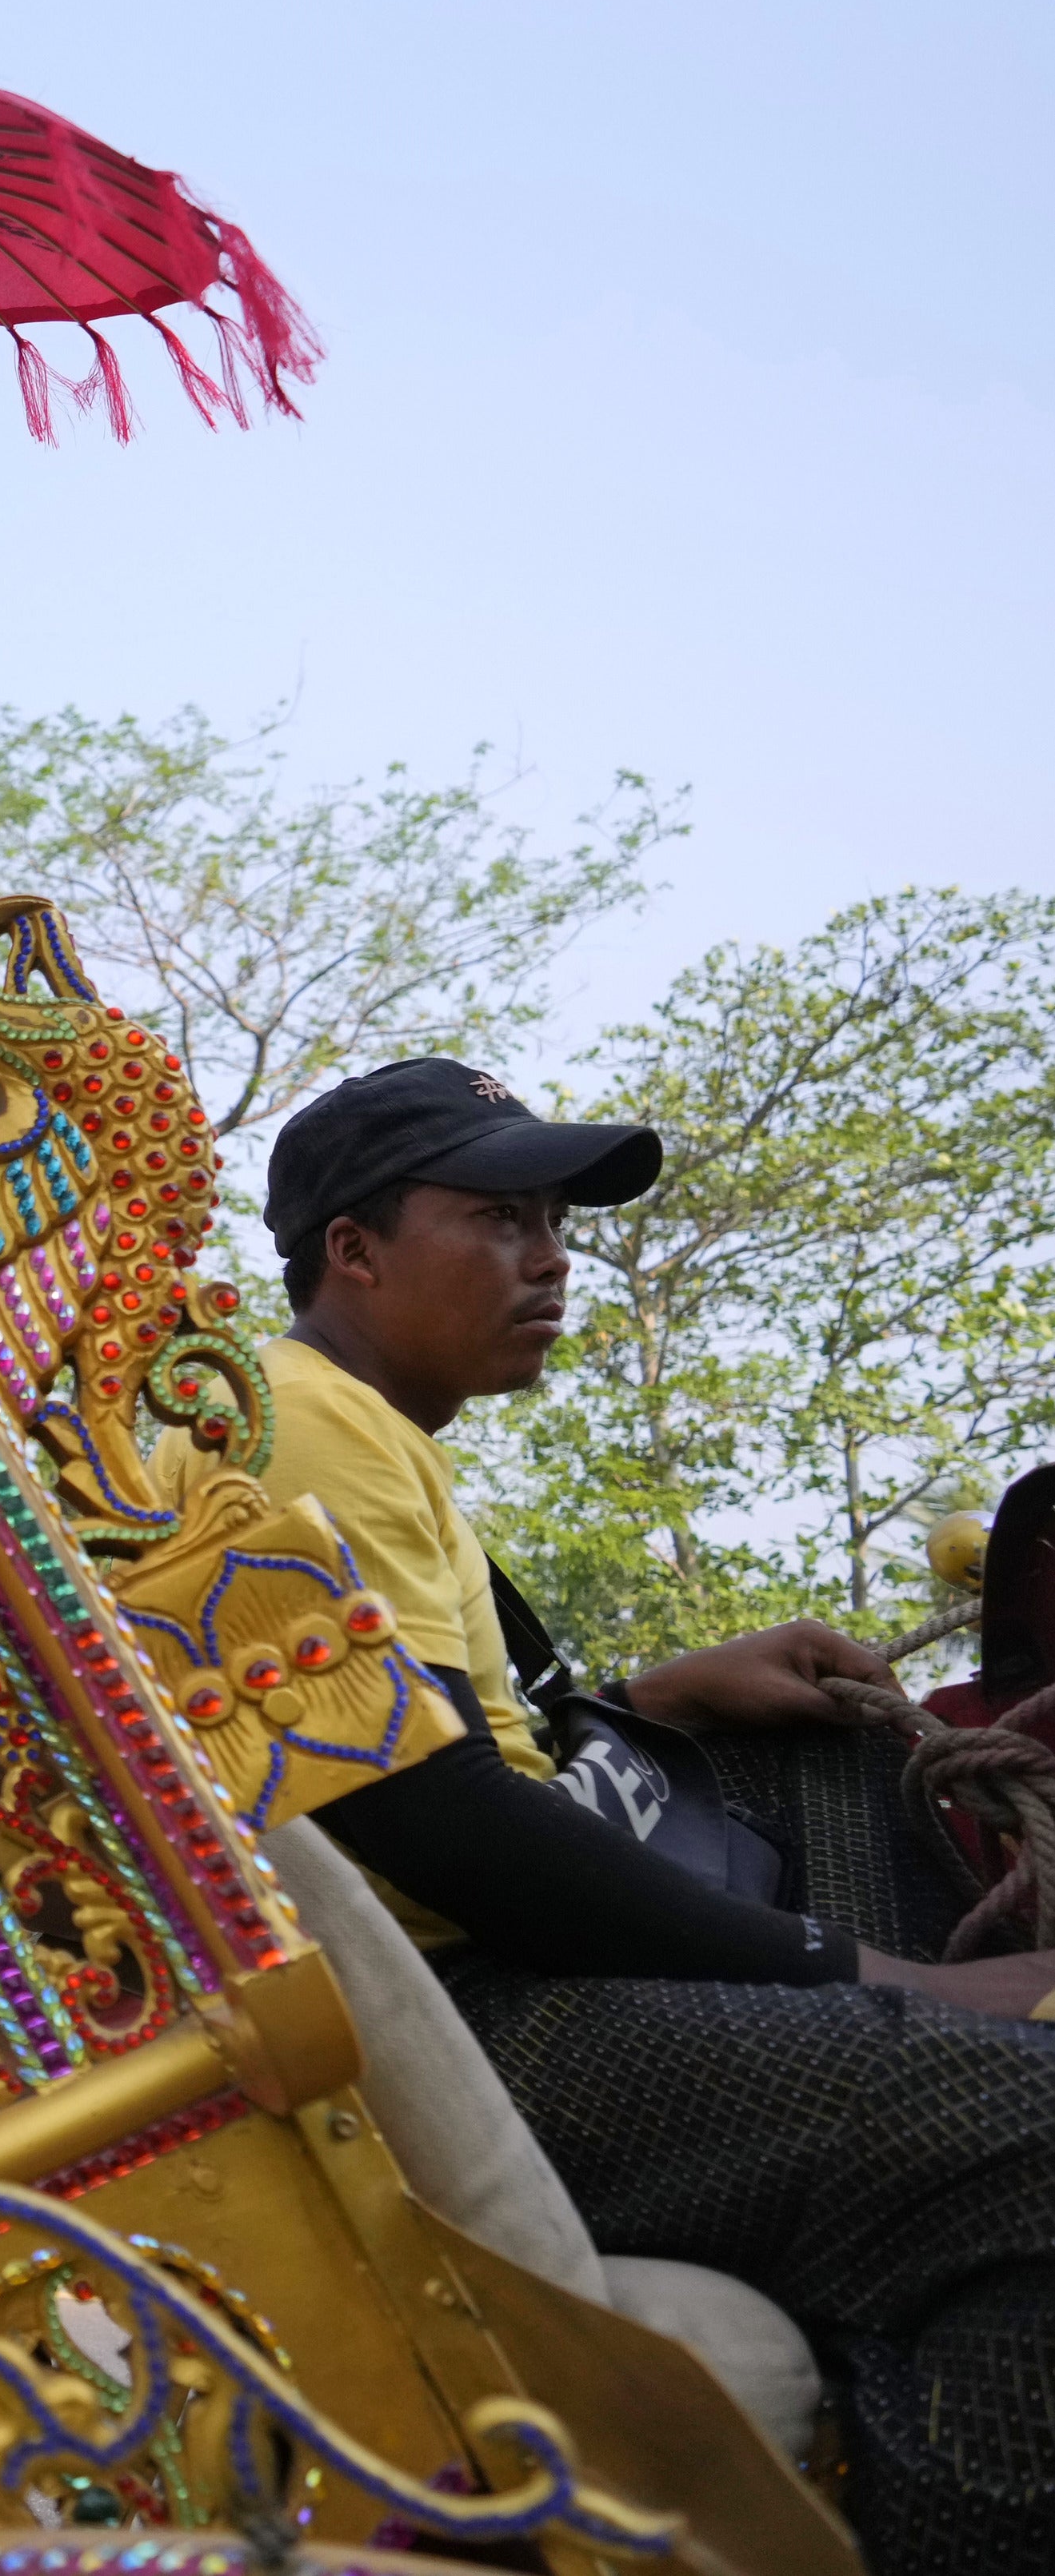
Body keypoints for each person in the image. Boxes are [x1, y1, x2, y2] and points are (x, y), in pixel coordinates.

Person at [202, 1055, 1055, 2573]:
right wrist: (898, 1987)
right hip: (489, 2012)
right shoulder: (292, 1415)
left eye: (553, 1224)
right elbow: (440, 1823)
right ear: (352, 1249)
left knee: (842, 1769)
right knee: (1018, 2121)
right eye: (497, 1220)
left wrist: (651, 1702)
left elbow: (469, 1747)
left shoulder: (372, 1431)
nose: (548, 1261)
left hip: (531, 1965)